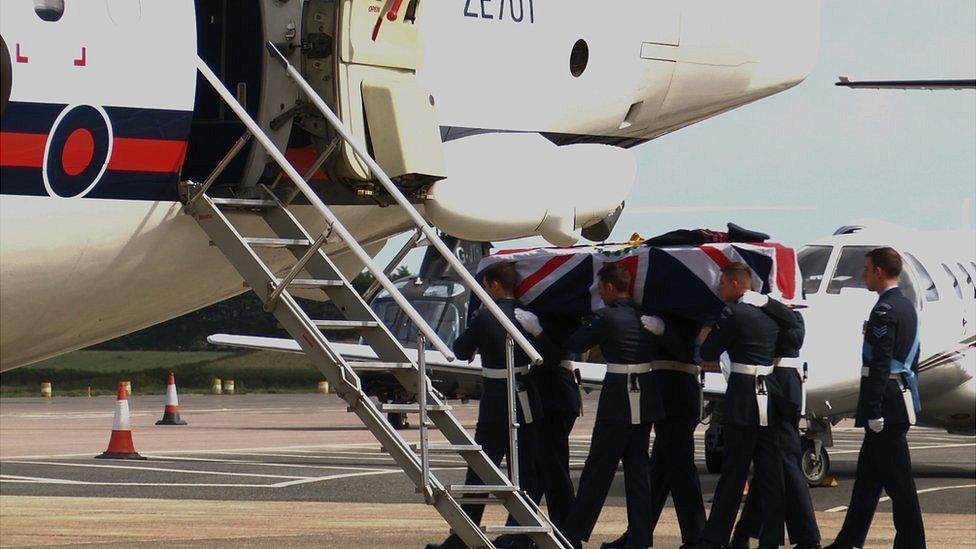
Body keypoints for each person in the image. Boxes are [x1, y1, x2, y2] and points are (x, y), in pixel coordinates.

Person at [425, 261, 543, 549]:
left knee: (480, 466)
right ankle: (521, 531)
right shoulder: (528, 316)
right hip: (526, 394)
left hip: (496, 398)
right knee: (525, 466)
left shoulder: (486, 317)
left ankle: (465, 534)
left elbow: (461, 348)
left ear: (492, 285)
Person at [826, 247, 925, 549]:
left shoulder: (884, 310)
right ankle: (849, 540)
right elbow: (914, 356)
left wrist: (872, 409)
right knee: (867, 482)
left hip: (885, 405)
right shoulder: (906, 306)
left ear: (879, 271)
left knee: (899, 483)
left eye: (867, 269)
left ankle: (912, 543)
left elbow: (879, 363)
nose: (863, 274)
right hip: (898, 397)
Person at [560, 262, 664, 549]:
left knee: (598, 470)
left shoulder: (607, 318)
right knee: (638, 470)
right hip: (645, 398)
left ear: (608, 287)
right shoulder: (646, 317)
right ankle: (640, 537)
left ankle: (574, 533)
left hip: (618, 399)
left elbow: (576, 342)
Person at [694, 262, 784, 549]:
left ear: (735, 283)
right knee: (770, 474)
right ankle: (768, 538)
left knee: (733, 474)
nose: (718, 288)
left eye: (722, 283)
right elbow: (793, 329)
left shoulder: (733, 313)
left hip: (743, 397)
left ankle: (714, 539)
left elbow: (708, 351)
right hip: (769, 394)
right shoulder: (770, 315)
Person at [601, 313, 706, 548]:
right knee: (661, 472)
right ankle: (640, 533)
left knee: (680, 468)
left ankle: (696, 537)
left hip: (677, 394)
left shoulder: (685, 311)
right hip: (664, 391)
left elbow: (690, 352)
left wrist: (664, 331)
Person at [730, 293, 821, 549]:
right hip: (766, 384)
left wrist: (771, 306)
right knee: (769, 467)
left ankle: (807, 536)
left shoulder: (790, 316)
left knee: (786, 462)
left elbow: (795, 337)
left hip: (780, 386)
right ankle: (746, 531)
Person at [513, 309, 583, 533]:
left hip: (556, 398)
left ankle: (565, 532)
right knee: (541, 470)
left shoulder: (562, 319)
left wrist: (539, 333)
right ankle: (525, 529)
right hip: (552, 397)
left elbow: (553, 357)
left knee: (553, 470)